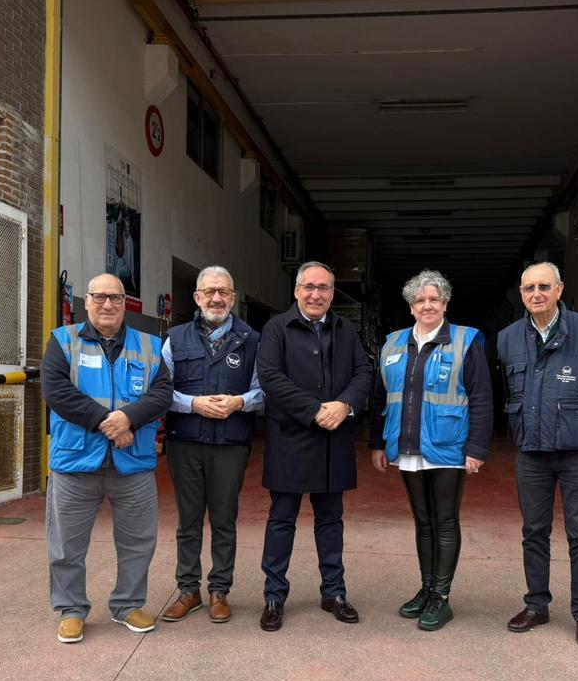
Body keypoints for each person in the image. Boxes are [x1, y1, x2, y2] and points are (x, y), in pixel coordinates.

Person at [496, 262, 578, 646]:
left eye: (544, 287)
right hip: (531, 452)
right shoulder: (507, 338)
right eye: (529, 287)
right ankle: (536, 605)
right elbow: (507, 389)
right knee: (533, 531)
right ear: (521, 294)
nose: (537, 294)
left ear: (559, 289)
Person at [41, 273, 171, 644]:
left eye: (115, 298)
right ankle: (70, 609)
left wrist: (129, 418)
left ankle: (128, 604)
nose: (107, 304)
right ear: (86, 301)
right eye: (99, 297)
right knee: (66, 543)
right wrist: (107, 422)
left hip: (132, 463)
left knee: (138, 540)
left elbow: (162, 393)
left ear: (126, 302)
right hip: (75, 463)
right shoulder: (62, 341)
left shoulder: (149, 346)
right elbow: (56, 392)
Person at [369, 270, 492, 631]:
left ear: (445, 304)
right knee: (422, 521)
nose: (427, 305)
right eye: (420, 300)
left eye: (434, 300)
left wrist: (477, 448)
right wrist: (377, 442)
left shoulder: (464, 341)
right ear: (411, 306)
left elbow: (482, 397)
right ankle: (426, 588)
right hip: (406, 447)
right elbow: (379, 397)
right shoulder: (392, 343)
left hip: (448, 446)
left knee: (445, 521)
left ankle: (442, 596)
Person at [256, 261, 372, 632]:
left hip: (333, 440)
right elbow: (270, 377)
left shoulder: (345, 329)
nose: (315, 294)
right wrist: (313, 410)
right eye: (309, 287)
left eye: (323, 288)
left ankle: (333, 592)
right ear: (296, 290)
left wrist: (345, 405)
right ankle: (274, 596)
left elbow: (363, 372)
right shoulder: (276, 328)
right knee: (281, 521)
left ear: (332, 293)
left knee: (331, 521)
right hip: (291, 437)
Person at [160, 266, 263, 624]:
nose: (216, 298)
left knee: (224, 520)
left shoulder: (253, 340)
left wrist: (239, 403)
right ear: (197, 297)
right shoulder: (175, 338)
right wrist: (193, 404)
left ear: (233, 297)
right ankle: (189, 590)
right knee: (188, 521)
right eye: (209, 291)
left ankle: (220, 590)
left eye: (224, 291)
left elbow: (264, 391)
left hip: (230, 444)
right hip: (185, 442)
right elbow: (159, 391)